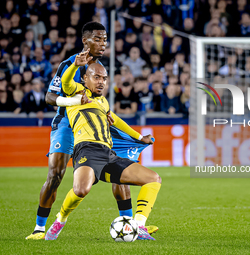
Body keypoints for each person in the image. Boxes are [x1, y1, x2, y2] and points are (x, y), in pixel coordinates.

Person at [26, 22, 157, 241]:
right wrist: (76, 100)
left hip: (96, 122)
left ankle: (129, 225)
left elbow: (111, 114)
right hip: (67, 123)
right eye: (98, 39)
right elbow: (50, 97)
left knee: (121, 169)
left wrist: (135, 135)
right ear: (85, 41)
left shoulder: (100, 69)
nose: (103, 43)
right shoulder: (71, 64)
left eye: (105, 39)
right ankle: (40, 228)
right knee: (56, 174)